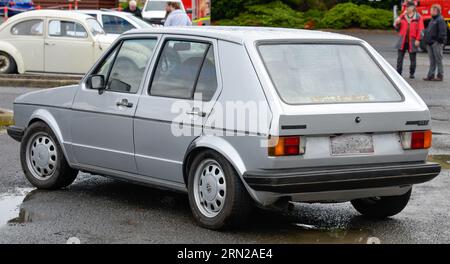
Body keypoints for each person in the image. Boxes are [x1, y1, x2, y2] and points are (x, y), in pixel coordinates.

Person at [394, 1, 424, 79]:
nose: (406, 8)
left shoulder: (418, 17)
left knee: (413, 60)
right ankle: (398, 73)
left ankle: (412, 73)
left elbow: (421, 30)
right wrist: (397, 23)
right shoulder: (403, 16)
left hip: (413, 41)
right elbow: (397, 28)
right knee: (399, 59)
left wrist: (418, 39)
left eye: (408, 7)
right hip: (402, 41)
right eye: (406, 7)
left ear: (413, 8)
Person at [423, 4, 447, 81]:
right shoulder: (433, 19)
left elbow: (442, 33)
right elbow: (429, 30)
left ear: (436, 11)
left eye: (432, 10)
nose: (430, 11)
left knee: (438, 60)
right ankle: (431, 75)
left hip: (436, 44)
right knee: (432, 61)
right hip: (430, 43)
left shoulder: (440, 20)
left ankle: (440, 75)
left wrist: (437, 42)